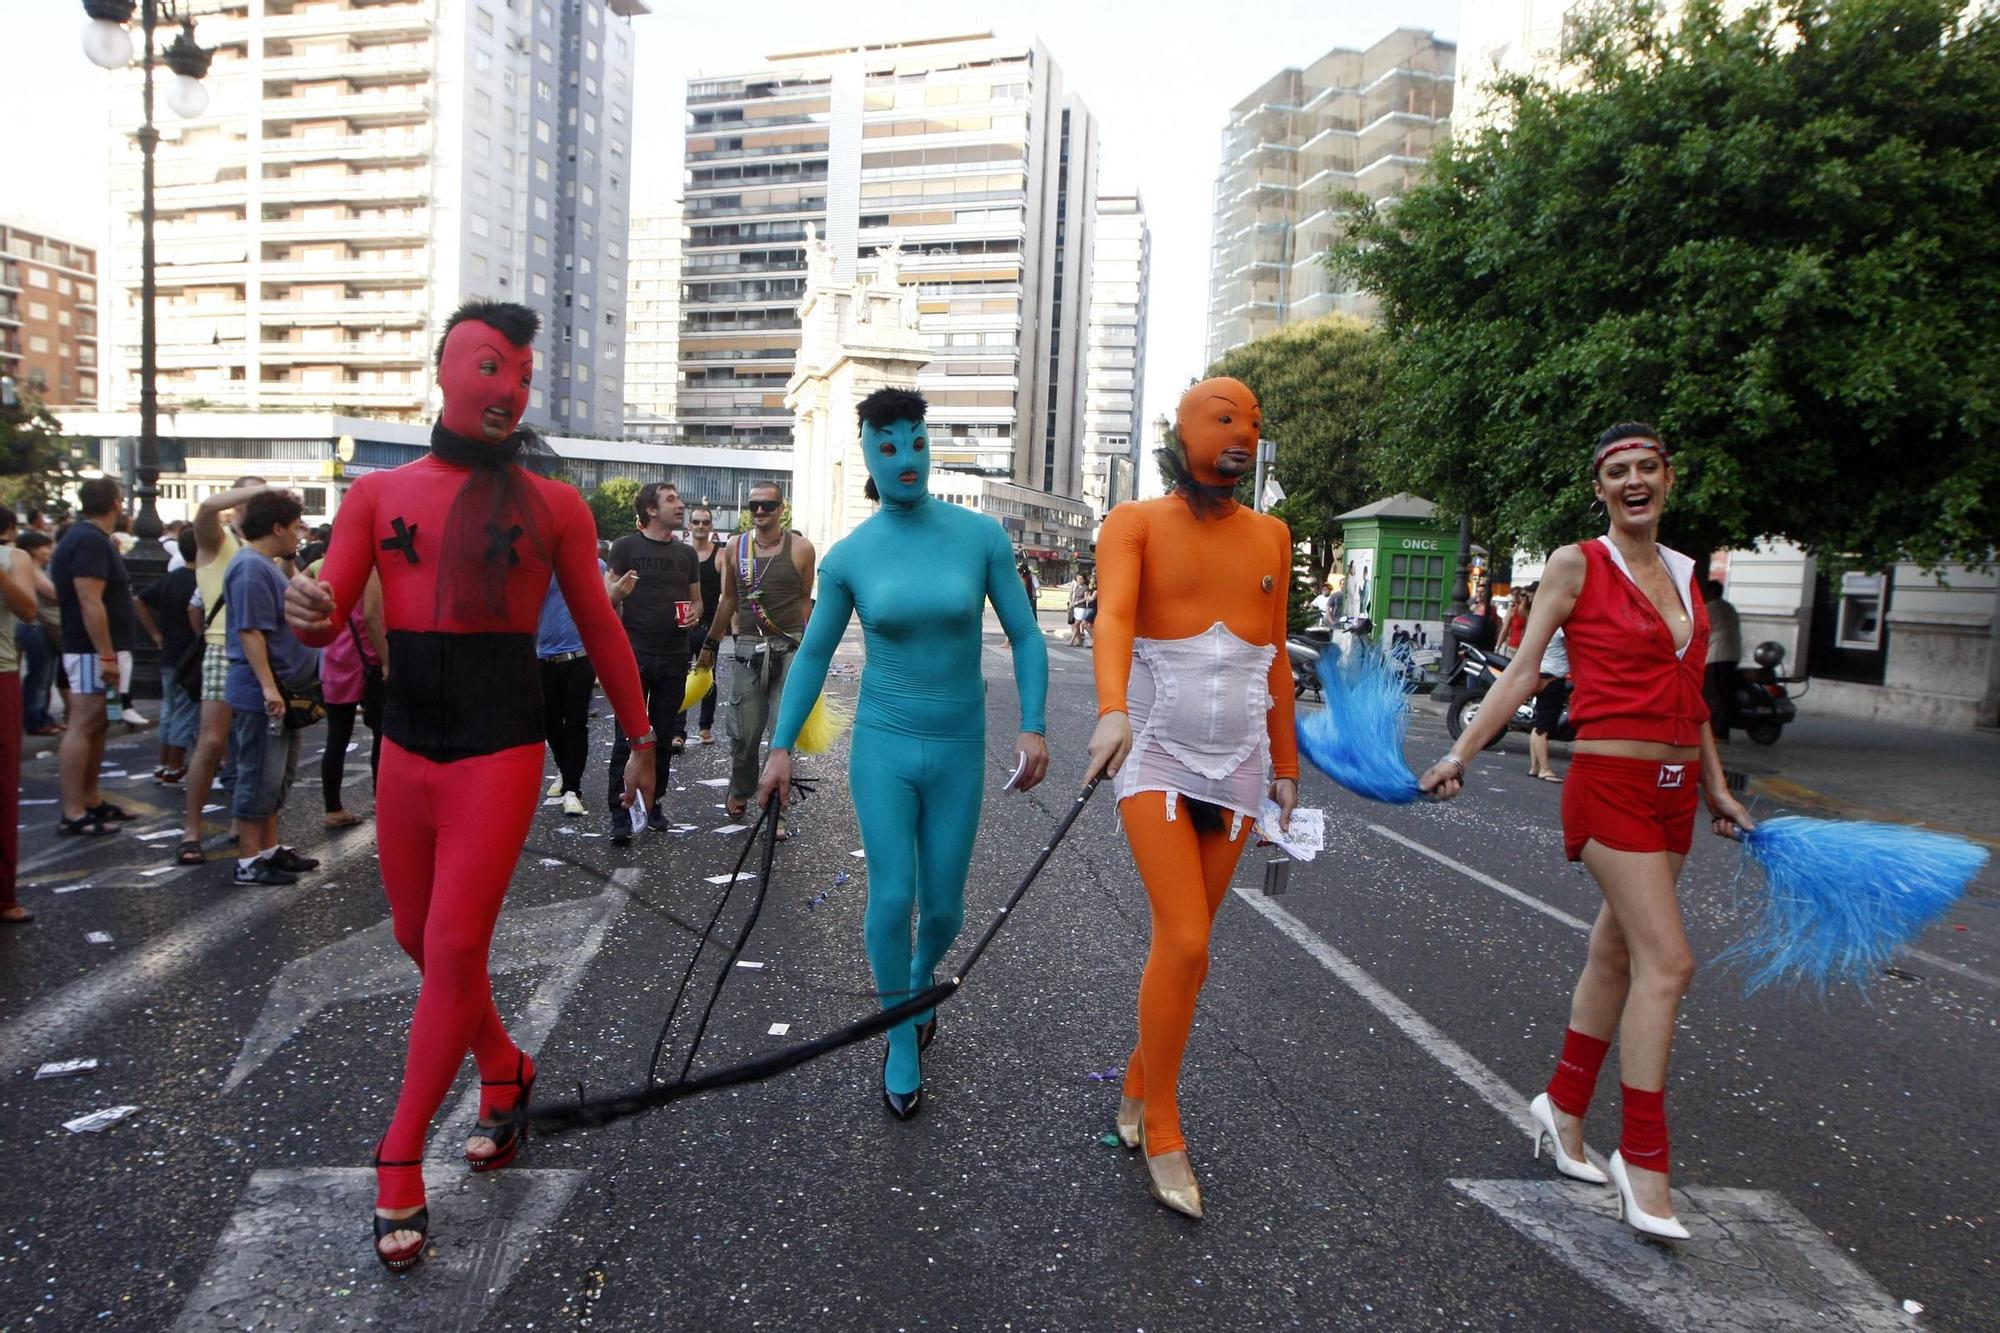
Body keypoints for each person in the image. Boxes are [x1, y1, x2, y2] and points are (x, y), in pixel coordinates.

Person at [282, 298, 655, 1272]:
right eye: (492, 368)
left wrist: (644, 734)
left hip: (499, 743)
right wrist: (308, 608)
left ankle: (399, 1158)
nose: (509, 391)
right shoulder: (374, 494)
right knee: (415, 938)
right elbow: (327, 615)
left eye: (522, 376)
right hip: (404, 745)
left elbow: (603, 627)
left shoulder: (556, 507)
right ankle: (505, 1067)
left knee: (451, 945)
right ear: (445, 372)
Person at [1418, 422, 1755, 1242]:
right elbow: (1526, 669)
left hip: (1676, 789)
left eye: (1647, 468)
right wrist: (1460, 750)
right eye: (1617, 472)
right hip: (1610, 785)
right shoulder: (1577, 563)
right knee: (1668, 962)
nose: (1634, 480)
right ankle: (1644, 1162)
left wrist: (1715, 788)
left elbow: (1695, 696)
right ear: (1600, 488)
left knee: (1617, 954)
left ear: (1668, 479)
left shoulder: (1683, 573)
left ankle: (1564, 1106)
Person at [757, 388, 1047, 1119]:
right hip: (883, 746)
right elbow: (816, 651)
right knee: (892, 896)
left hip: (959, 745)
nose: (907, 458)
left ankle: (917, 984)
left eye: (915, 441)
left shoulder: (979, 537)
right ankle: (900, 1034)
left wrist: (1035, 724)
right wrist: (780, 747)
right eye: (888, 446)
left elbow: (1027, 634)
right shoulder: (852, 556)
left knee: (944, 909)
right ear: (868, 455)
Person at [1082, 377, 1299, 1220]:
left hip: (1242, 757)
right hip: (1155, 748)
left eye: (1252, 420)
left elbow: (1276, 654)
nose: (1241, 432)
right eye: (1224, 418)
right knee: (1183, 933)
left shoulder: (1274, 534)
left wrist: (1286, 760)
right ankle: (1165, 1127)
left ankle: (1138, 1086)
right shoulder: (1132, 522)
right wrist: (1109, 711)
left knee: (1192, 948)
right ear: (1183, 430)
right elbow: (1113, 619)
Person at [698, 480, 816, 822]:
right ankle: (742, 787)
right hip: (749, 646)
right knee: (745, 734)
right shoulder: (736, 547)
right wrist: (711, 644)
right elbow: (728, 600)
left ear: (781, 509)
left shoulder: (802, 549)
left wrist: (811, 652)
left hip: (790, 645)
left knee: (781, 734)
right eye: (754, 506)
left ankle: (775, 809)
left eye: (767, 505)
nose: (760, 511)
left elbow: (803, 602)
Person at [176, 478, 276, 867]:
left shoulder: (263, 545)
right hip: (223, 646)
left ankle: (243, 822)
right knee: (213, 740)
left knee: (251, 744)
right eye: (251, 495)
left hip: (258, 646)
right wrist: (257, 490)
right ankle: (191, 830)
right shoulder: (217, 541)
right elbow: (206, 508)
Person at [223, 490, 321, 886]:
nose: (299, 535)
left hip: (281, 687)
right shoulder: (249, 568)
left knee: (276, 777)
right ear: (277, 526)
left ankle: (269, 848)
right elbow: (250, 632)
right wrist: (269, 689)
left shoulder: (266, 564)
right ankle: (249, 860)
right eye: (295, 527)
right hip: (265, 691)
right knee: (258, 775)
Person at [602, 481, 700, 843]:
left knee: (660, 737)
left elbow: (697, 602)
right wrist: (614, 594)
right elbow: (605, 600)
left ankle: (652, 802)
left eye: (678, 497)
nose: (680, 504)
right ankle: (620, 813)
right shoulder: (625, 547)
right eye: (671, 500)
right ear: (651, 509)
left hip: (674, 656)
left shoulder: (686, 555)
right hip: (634, 654)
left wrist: (694, 616)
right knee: (629, 736)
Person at [51, 477, 137, 836]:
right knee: (84, 723)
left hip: (98, 649)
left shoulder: (89, 538)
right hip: (91, 650)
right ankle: (74, 810)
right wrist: (105, 655)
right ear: (116, 503)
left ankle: (90, 798)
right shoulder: (88, 541)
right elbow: (89, 600)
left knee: (97, 723)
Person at [0, 508, 44, 923]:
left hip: (2, 674)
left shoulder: (14, 558)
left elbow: (29, 610)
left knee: (3, 784)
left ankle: (3, 895)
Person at [318, 569, 388, 828]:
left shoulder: (332, 570)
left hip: (336, 659)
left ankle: (333, 808)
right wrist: (387, 661)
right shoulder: (369, 572)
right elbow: (371, 617)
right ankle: (381, 800)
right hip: (367, 662)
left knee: (337, 737)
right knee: (382, 734)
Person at [136, 529, 201, 785]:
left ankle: (163, 762)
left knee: (169, 710)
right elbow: (194, 609)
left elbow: (139, 599)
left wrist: (155, 634)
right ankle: (175, 764)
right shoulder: (201, 580)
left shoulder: (171, 578)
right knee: (186, 711)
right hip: (190, 655)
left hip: (169, 651)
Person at [536, 571, 596, 816]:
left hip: (580, 656)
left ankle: (572, 788)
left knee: (575, 722)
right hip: (543, 657)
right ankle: (565, 770)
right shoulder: (537, 569)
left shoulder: (595, 567)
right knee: (549, 723)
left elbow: (610, 608)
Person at [676, 504, 727, 747]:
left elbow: (727, 595)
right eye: (695, 522)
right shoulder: (681, 553)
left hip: (709, 626)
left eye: (705, 522)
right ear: (689, 526)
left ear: (711, 527)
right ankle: (678, 732)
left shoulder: (719, 554)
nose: (700, 526)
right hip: (682, 626)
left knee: (708, 677)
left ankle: (705, 728)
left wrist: (725, 627)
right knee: (678, 677)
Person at [16, 530, 61, 735]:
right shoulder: (32, 571)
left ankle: (42, 715)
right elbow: (54, 594)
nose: (49, 551)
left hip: (41, 627)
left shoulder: (40, 570)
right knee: (40, 675)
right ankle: (35, 718)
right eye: (45, 547)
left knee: (45, 674)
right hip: (36, 627)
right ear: (33, 550)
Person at [1529, 625, 1569, 783]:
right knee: (1543, 727)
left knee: (1539, 723)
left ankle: (1535, 767)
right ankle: (1545, 769)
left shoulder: (1542, 625)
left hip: (1543, 673)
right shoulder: (1560, 629)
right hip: (1554, 677)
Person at [1703, 579, 1741, 742]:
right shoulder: (1729, 607)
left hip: (1716, 655)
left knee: (1714, 693)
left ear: (1711, 592)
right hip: (1732, 654)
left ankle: (1718, 731)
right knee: (1725, 693)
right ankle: (1723, 730)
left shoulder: (1710, 608)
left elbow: (1701, 629)